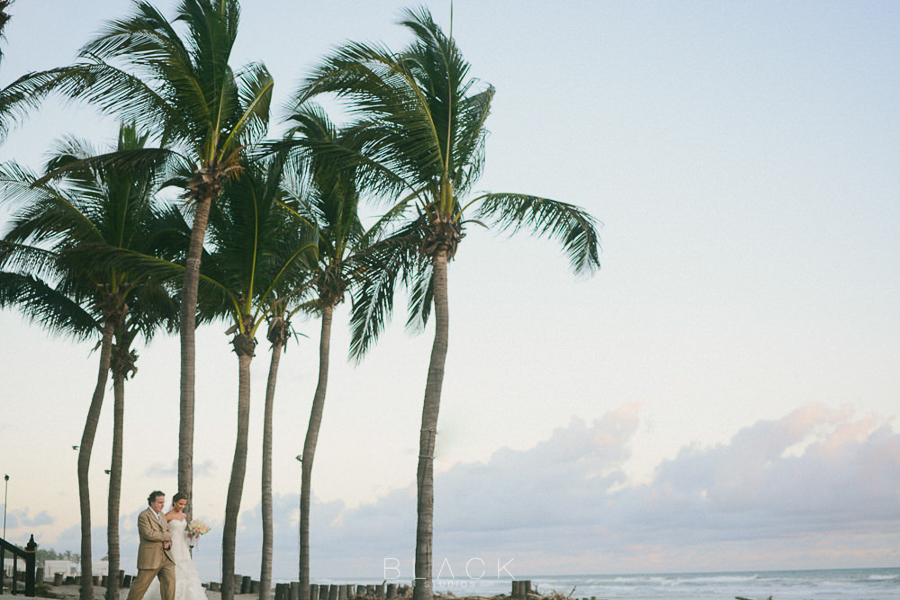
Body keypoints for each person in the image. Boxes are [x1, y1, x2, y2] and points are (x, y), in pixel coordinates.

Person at [144, 493, 208, 600]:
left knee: (186, 569)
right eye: (180, 504)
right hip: (173, 546)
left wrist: (192, 534)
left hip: (182, 546)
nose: (182, 507)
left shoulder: (183, 516)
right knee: (174, 569)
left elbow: (183, 533)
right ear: (174, 502)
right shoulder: (167, 516)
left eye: (184, 505)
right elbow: (161, 531)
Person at [126, 491, 175, 600]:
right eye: (159, 502)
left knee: (170, 585)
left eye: (163, 502)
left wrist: (168, 544)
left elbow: (168, 534)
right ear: (152, 502)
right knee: (139, 587)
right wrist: (166, 537)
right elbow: (148, 534)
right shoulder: (143, 516)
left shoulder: (162, 516)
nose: (162, 505)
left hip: (166, 557)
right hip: (150, 558)